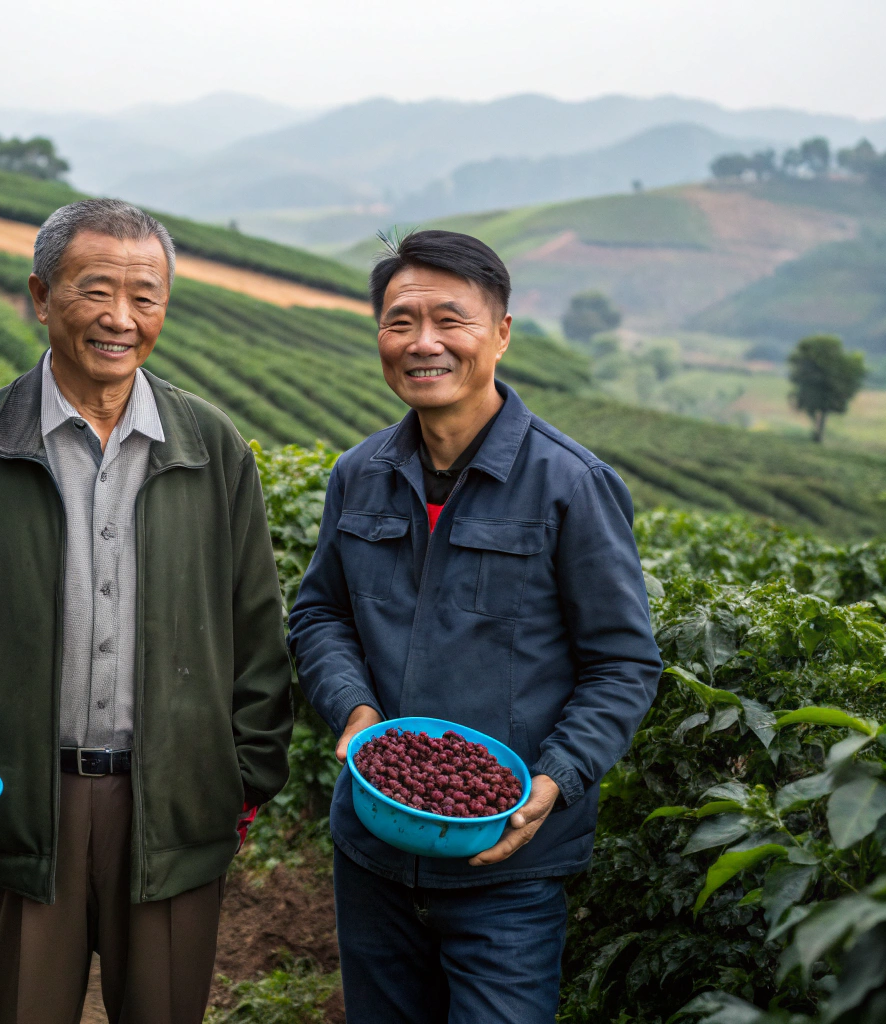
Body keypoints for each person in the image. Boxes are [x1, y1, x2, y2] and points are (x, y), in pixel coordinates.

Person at [0, 198, 293, 1024]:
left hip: (172, 809)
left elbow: (256, 629)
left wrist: (243, 777)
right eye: (96, 291)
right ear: (41, 295)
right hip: (22, 801)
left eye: (146, 297)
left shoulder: (211, 448)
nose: (121, 319)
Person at [288, 229, 662, 1023]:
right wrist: (356, 714)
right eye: (400, 321)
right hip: (373, 849)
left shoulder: (572, 485)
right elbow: (320, 612)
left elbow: (623, 664)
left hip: (509, 875)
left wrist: (550, 783)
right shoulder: (360, 476)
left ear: (500, 333)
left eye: (449, 320)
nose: (422, 342)